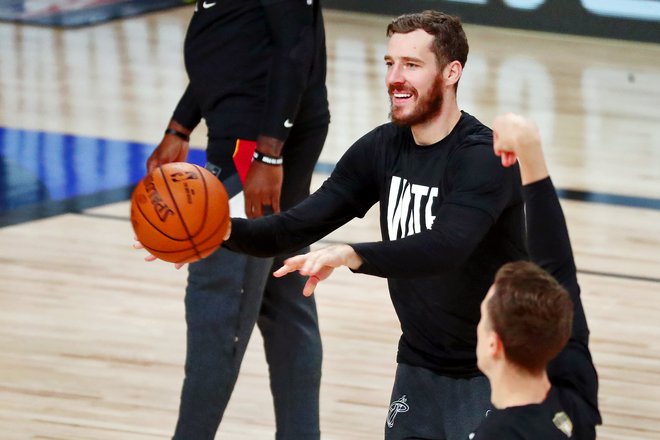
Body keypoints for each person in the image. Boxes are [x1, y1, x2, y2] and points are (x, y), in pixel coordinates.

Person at [222, 10, 528, 440]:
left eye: (412, 65)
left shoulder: (482, 157)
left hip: (499, 373)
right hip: (420, 364)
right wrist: (218, 233)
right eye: (390, 63)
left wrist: (354, 254)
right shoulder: (382, 148)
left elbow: (447, 246)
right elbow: (295, 226)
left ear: (452, 72)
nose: (395, 78)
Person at [145, 1, 329, 439]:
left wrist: (268, 152)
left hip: (256, 147)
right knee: (284, 296)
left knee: (217, 306)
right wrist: (180, 125)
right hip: (252, 138)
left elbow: (294, 48)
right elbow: (228, 44)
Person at [469, 113, 601, 439]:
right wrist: (530, 152)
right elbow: (558, 270)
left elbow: (561, 275)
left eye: (483, 316)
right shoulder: (573, 399)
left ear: (493, 344)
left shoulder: (496, 435)